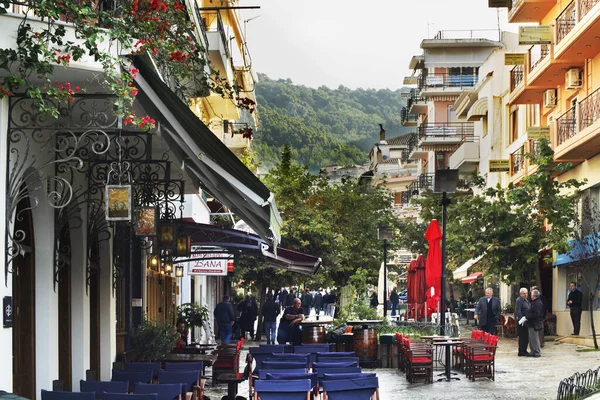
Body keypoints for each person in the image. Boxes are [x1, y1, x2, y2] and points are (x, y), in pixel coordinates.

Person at [523, 289, 544, 357]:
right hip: (531, 323)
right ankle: (532, 351)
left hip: (534, 323)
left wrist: (528, 316)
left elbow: (537, 314)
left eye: (531, 294)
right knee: (531, 338)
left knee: (534, 338)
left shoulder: (537, 303)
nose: (530, 296)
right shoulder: (534, 302)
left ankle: (536, 351)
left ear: (534, 296)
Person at [515, 288, 530, 356]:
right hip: (522, 322)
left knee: (526, 337)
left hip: (527, 321)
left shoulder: (526, 300)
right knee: (522, 337)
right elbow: (518, 311)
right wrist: (521, 319)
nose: (525, 295)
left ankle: (525, 349)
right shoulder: (519, 300)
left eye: (526, 293)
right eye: (524, 293)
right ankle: (521, 351)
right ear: (521, 293)